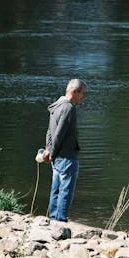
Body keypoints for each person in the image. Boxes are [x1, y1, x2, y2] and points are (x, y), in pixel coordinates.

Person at [43, 79, 87, 222]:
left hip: (57, 157)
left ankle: (53, 218)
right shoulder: (68, 108)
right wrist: (52, 153)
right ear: (74, 92)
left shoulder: (57, 105)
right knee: (66, 191)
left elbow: (49, 132)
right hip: (67, 158)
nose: (83, 97)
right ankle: (60, 221)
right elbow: (59, 134)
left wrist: (49, 149)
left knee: (56, 189)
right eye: (82, 93)